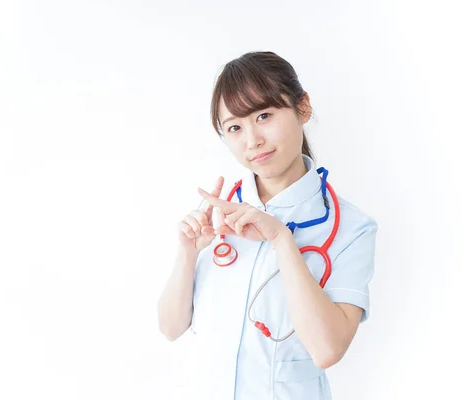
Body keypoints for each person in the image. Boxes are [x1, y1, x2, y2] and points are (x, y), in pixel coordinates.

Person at [157, 51, 378, 399]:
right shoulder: (213, 213)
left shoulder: (352, 229)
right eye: (234, 127)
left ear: (302, 108)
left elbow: (326, 350)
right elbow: (170, 327)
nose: (252, 140)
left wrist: (281, 239)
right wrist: (186, 255)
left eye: (264, 115)